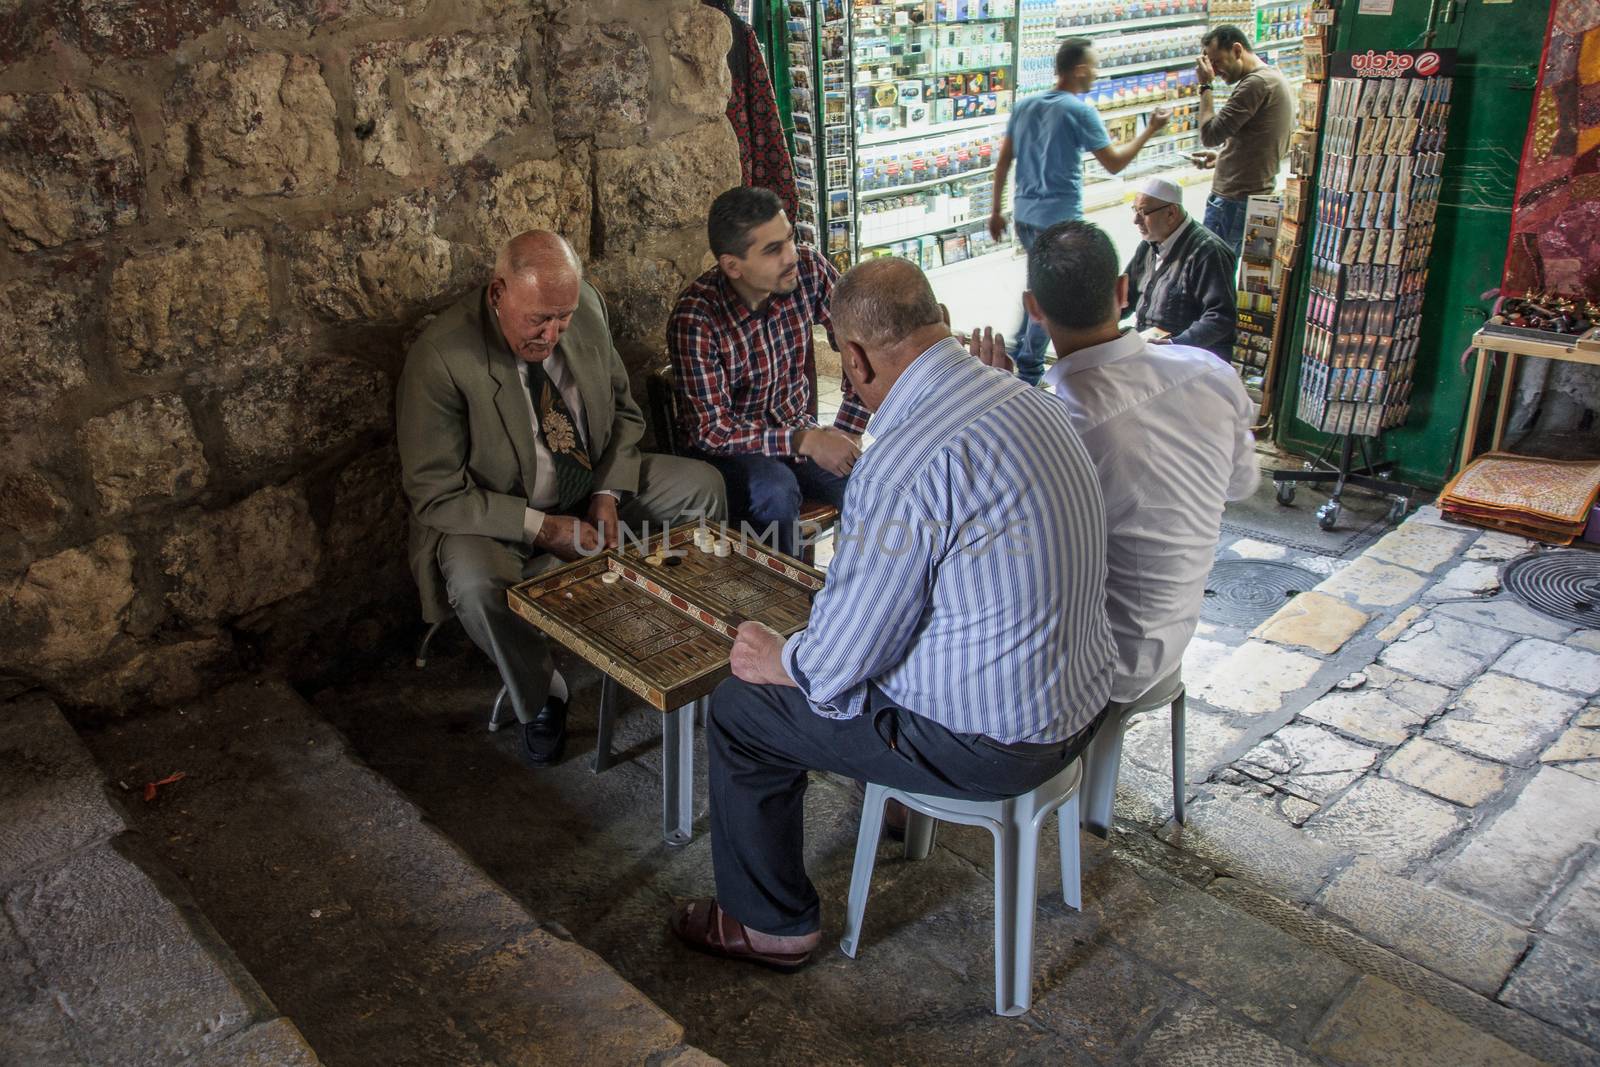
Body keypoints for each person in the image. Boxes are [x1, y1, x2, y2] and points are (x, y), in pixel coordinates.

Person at [666, 257, 1115, 970]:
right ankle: (905, 801)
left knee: (744, 708)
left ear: (855, 359)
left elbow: (836, 664)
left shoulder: (906, 458)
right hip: (1083, 704)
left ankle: (768, 923)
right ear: (935, 319)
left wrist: (775, 656)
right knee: (879, 636)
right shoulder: (1027, 398)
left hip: (997, 743)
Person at [397, 231, 726, 769]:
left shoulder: (586, 307)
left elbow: (623, 414)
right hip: (497, 511)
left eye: (562, 317)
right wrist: (544, 529)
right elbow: (434, 493)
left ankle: (687, 652)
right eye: (538, 320)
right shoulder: (442, 358)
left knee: (703, 489)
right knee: (477, 584)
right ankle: (541, 694)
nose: (551, 334)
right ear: (499, 293)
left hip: (589, 480)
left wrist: (606, 494)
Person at [1024, 220, 1257, 719]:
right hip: (1173, 636)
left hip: (1095, 666)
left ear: (1033, 308)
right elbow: (1241, 484)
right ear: (1123, 290)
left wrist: (993, 409)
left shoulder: (1054, 424)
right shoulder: (1209, 371)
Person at [668, 187, 871, 557]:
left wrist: (847, 429)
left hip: (796, 424)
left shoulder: (809, 269)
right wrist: (804, 441)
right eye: (772, 250)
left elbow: (861, 345)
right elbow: (712, 431)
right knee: (776, 493)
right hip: (730, 451)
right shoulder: (696, 318)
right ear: (733, 266)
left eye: (789, 238)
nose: (791, 256)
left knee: (868, 479)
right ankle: (783, 608)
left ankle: (852, 599)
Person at [988, 36, 1171, 385]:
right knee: (1052, 296)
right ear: (1081, 69)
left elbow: (1002, 164)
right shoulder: (1079, 111)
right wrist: (1149, 129)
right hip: (1059, 223)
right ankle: (1028, 370)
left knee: (1038, 286)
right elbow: (1114, 163)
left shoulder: (1025, 106)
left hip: (1025, 216)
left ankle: (1019, 352)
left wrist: (996, 211)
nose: (1097, 74)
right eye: (1095, 67)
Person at [1191, 25, 1295, 254]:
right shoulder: (1273, 78)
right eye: (1210, 66)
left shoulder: (1255, 84)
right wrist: (1222, 159)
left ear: (1237, 50)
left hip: (1234, 202)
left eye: (1217, 62)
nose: (1215, 71)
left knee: (1213, 275)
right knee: (1248, 278)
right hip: (1257, 196)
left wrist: (1205, 85)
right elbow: (1261, 143)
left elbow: (1209, 135)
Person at [1122, 176, 1239, 361]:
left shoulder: (1208, 252)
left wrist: (1175, 344)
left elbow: (1220, 317)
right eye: (1134, 210)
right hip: (1151, 352)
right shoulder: (1149, 244)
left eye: (1143, 212)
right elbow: (1125, 295)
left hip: (1189, 360)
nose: (1136, 220)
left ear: (1171, 213)